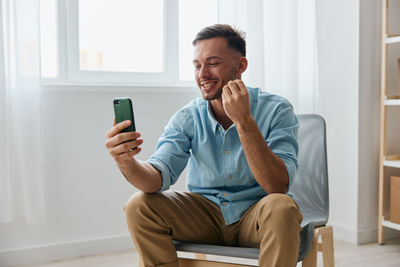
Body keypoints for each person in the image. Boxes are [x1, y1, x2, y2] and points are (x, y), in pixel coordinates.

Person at [105, 24, 302, 267]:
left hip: (258, 217)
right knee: (139, 205)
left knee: (282, 207)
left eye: (213, 63)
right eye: (197, 66)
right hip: (205, 216)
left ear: (241, 66)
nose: (203, 74)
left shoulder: (277, 110)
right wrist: (126, 161)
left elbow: (278, 186)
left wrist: (244, 121)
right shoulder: (187, 117)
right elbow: (156, 178)